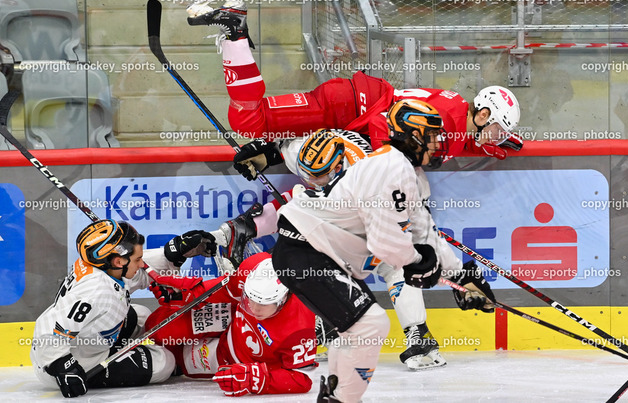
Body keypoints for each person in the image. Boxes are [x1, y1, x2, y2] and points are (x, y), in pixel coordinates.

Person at [268, 99, 497, 402]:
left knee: (356, 330)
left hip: (315, 250)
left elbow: (423, 230)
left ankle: (337, 397)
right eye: (432, 135)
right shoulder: (389, 169)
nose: (439, 142)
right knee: (370, 324)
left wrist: (462, 275)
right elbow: (386, 243)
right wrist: (419, 264)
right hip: (305, 249)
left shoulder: (402, 169)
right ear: (413, 136)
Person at [186, 0, 524, 163]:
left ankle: (235, 34)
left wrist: (505, 140)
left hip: (350, 109)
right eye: (495, 129)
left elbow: (466, 144)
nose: (494, 138)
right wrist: (379, 164)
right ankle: (234, 29)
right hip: (347, 107)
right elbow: (383, 125)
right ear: (481, 114)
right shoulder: (447, 120)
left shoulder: (460, 124)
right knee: (249, 122)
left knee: (253, 125)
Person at [218, 128, 447, 370]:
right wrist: (263, 153)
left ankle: (420, 337)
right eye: (308, 174)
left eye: (319, 176)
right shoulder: (304, 153)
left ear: (338, 168)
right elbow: (282, 144)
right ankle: (330, 326)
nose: (312, 179)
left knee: (395, 265)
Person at [30, 219, 176, 398]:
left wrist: (172, 253)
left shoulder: (101, 267)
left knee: (142, 316)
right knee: (165, 363)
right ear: (118, 262)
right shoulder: (95, 290)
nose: (141, 264)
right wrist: (63, 366)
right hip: (67, 361)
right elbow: (47, 327)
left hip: (92, 336)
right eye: (138, 259)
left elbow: (137, 274)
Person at [143, 251, 318, 397]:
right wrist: (192, 292)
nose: (254, 308)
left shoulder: (300, 326)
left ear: (283, 299)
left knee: (175, 361)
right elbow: (227, 289)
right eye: (250, 297)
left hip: (237, 359)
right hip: (230, 317)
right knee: (157, 328)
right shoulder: (254, 266)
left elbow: (302, 379)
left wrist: (257, 379)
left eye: (263, 303)